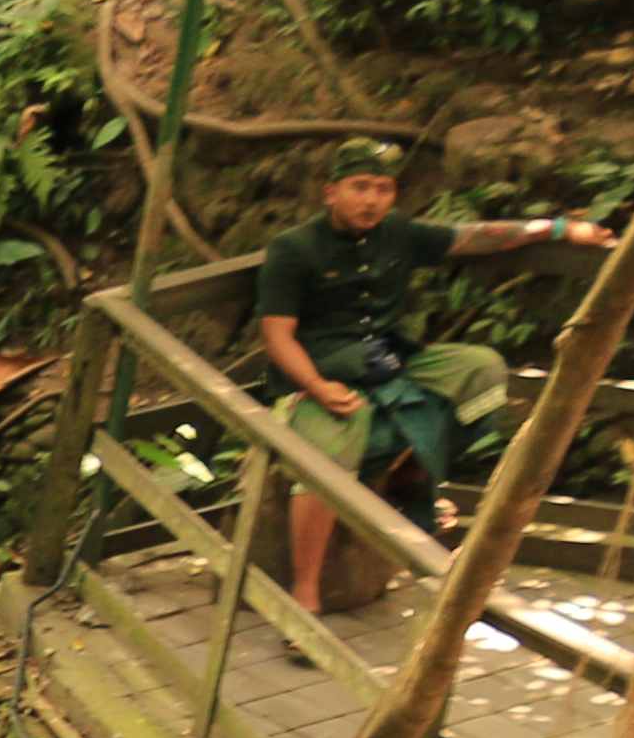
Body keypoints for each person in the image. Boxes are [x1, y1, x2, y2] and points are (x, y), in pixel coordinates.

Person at [250, 145, 614, 607]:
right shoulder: (294, 248)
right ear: (331, 193)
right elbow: (277, 336)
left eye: (383, 189)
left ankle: (413, 473)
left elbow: (474, 237)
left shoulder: (397, 233)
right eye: (360, 187)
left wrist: (557, 228)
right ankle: (306, 588)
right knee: (323, 461)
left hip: (388, 360)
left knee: (479, 367)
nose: (371, 200)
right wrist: (317, 386)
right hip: (319, 375)